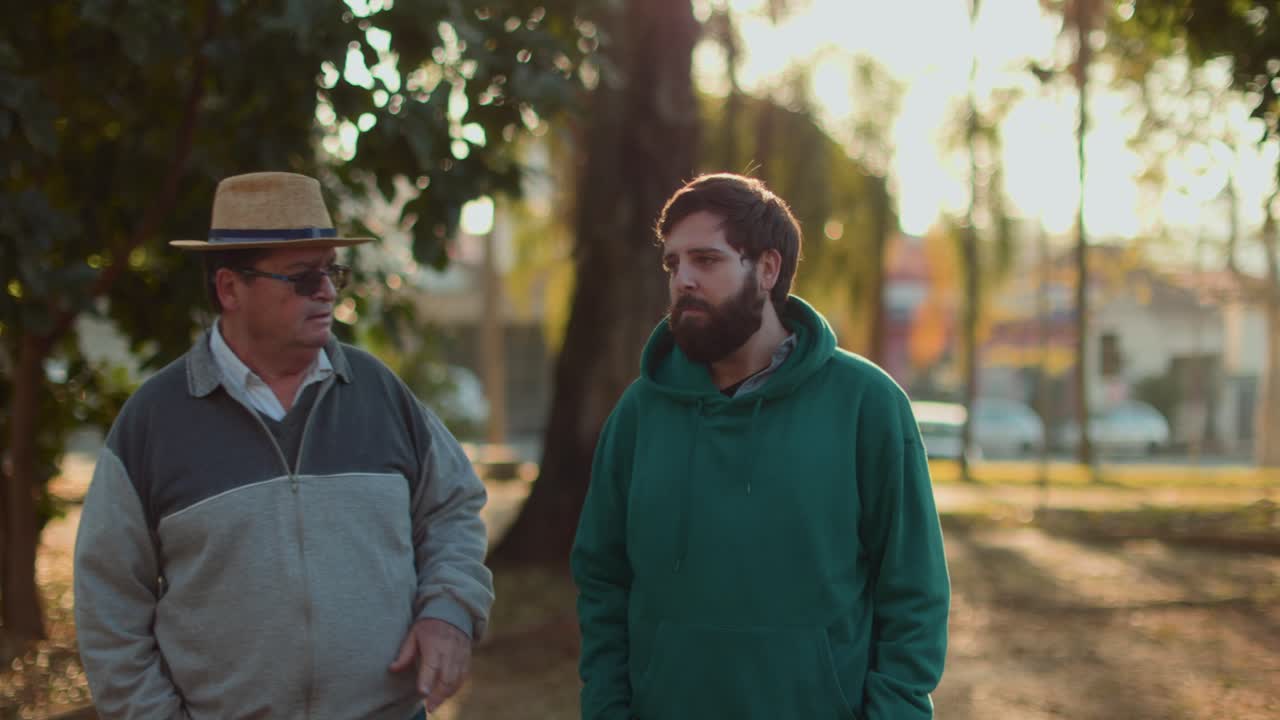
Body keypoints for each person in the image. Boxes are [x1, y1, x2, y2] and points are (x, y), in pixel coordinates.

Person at [74, 171, 493, 719]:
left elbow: (453, 509)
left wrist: (448, 612)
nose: (327, 292)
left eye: (331, 272)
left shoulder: (380, 393)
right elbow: (109, 605)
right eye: (301, 277)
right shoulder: (153, 422)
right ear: (229, 288)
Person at [571, 173, 950, 719]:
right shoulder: (639, 414)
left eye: (707, 259)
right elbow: (602, 579)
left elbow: (914, 591)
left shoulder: (866, 405)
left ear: (767, 269)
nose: (684, 280)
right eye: (673, 264)